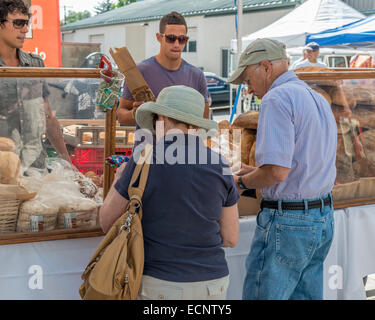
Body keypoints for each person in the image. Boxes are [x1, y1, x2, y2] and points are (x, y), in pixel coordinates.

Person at [100, 85, 239, 300]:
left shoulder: (143, 160)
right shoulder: (220, 164)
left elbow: (106, 222)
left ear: (162, 119)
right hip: (213, 284)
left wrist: (119, 177)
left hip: (160, 284)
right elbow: (230, 238)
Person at [228, 38, 337, 300]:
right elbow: (300, 163)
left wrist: (241, 183)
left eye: (247, 79)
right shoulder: (316, 97)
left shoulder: (276, 98)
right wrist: (254, 171)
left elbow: (277, 173)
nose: (248, 88)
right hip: (322, 216)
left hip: (289, 222)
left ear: (265, 67)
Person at [117, 11, 210, 145]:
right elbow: (121, 115)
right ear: (159, 38)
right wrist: (135, 114)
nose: (177, 44)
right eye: (171, 38)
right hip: (148, 157)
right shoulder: (139, 71)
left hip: (183, 158)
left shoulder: (197, 76)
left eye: (182, 39)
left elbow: (203, 123)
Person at [0, 0, 70, 171]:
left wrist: (67, 161)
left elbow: (47, 115)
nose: (25, 29)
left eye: (26, 23)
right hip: (3, 168)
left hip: (35, 167)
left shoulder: (35, 64)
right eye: (18, 23)